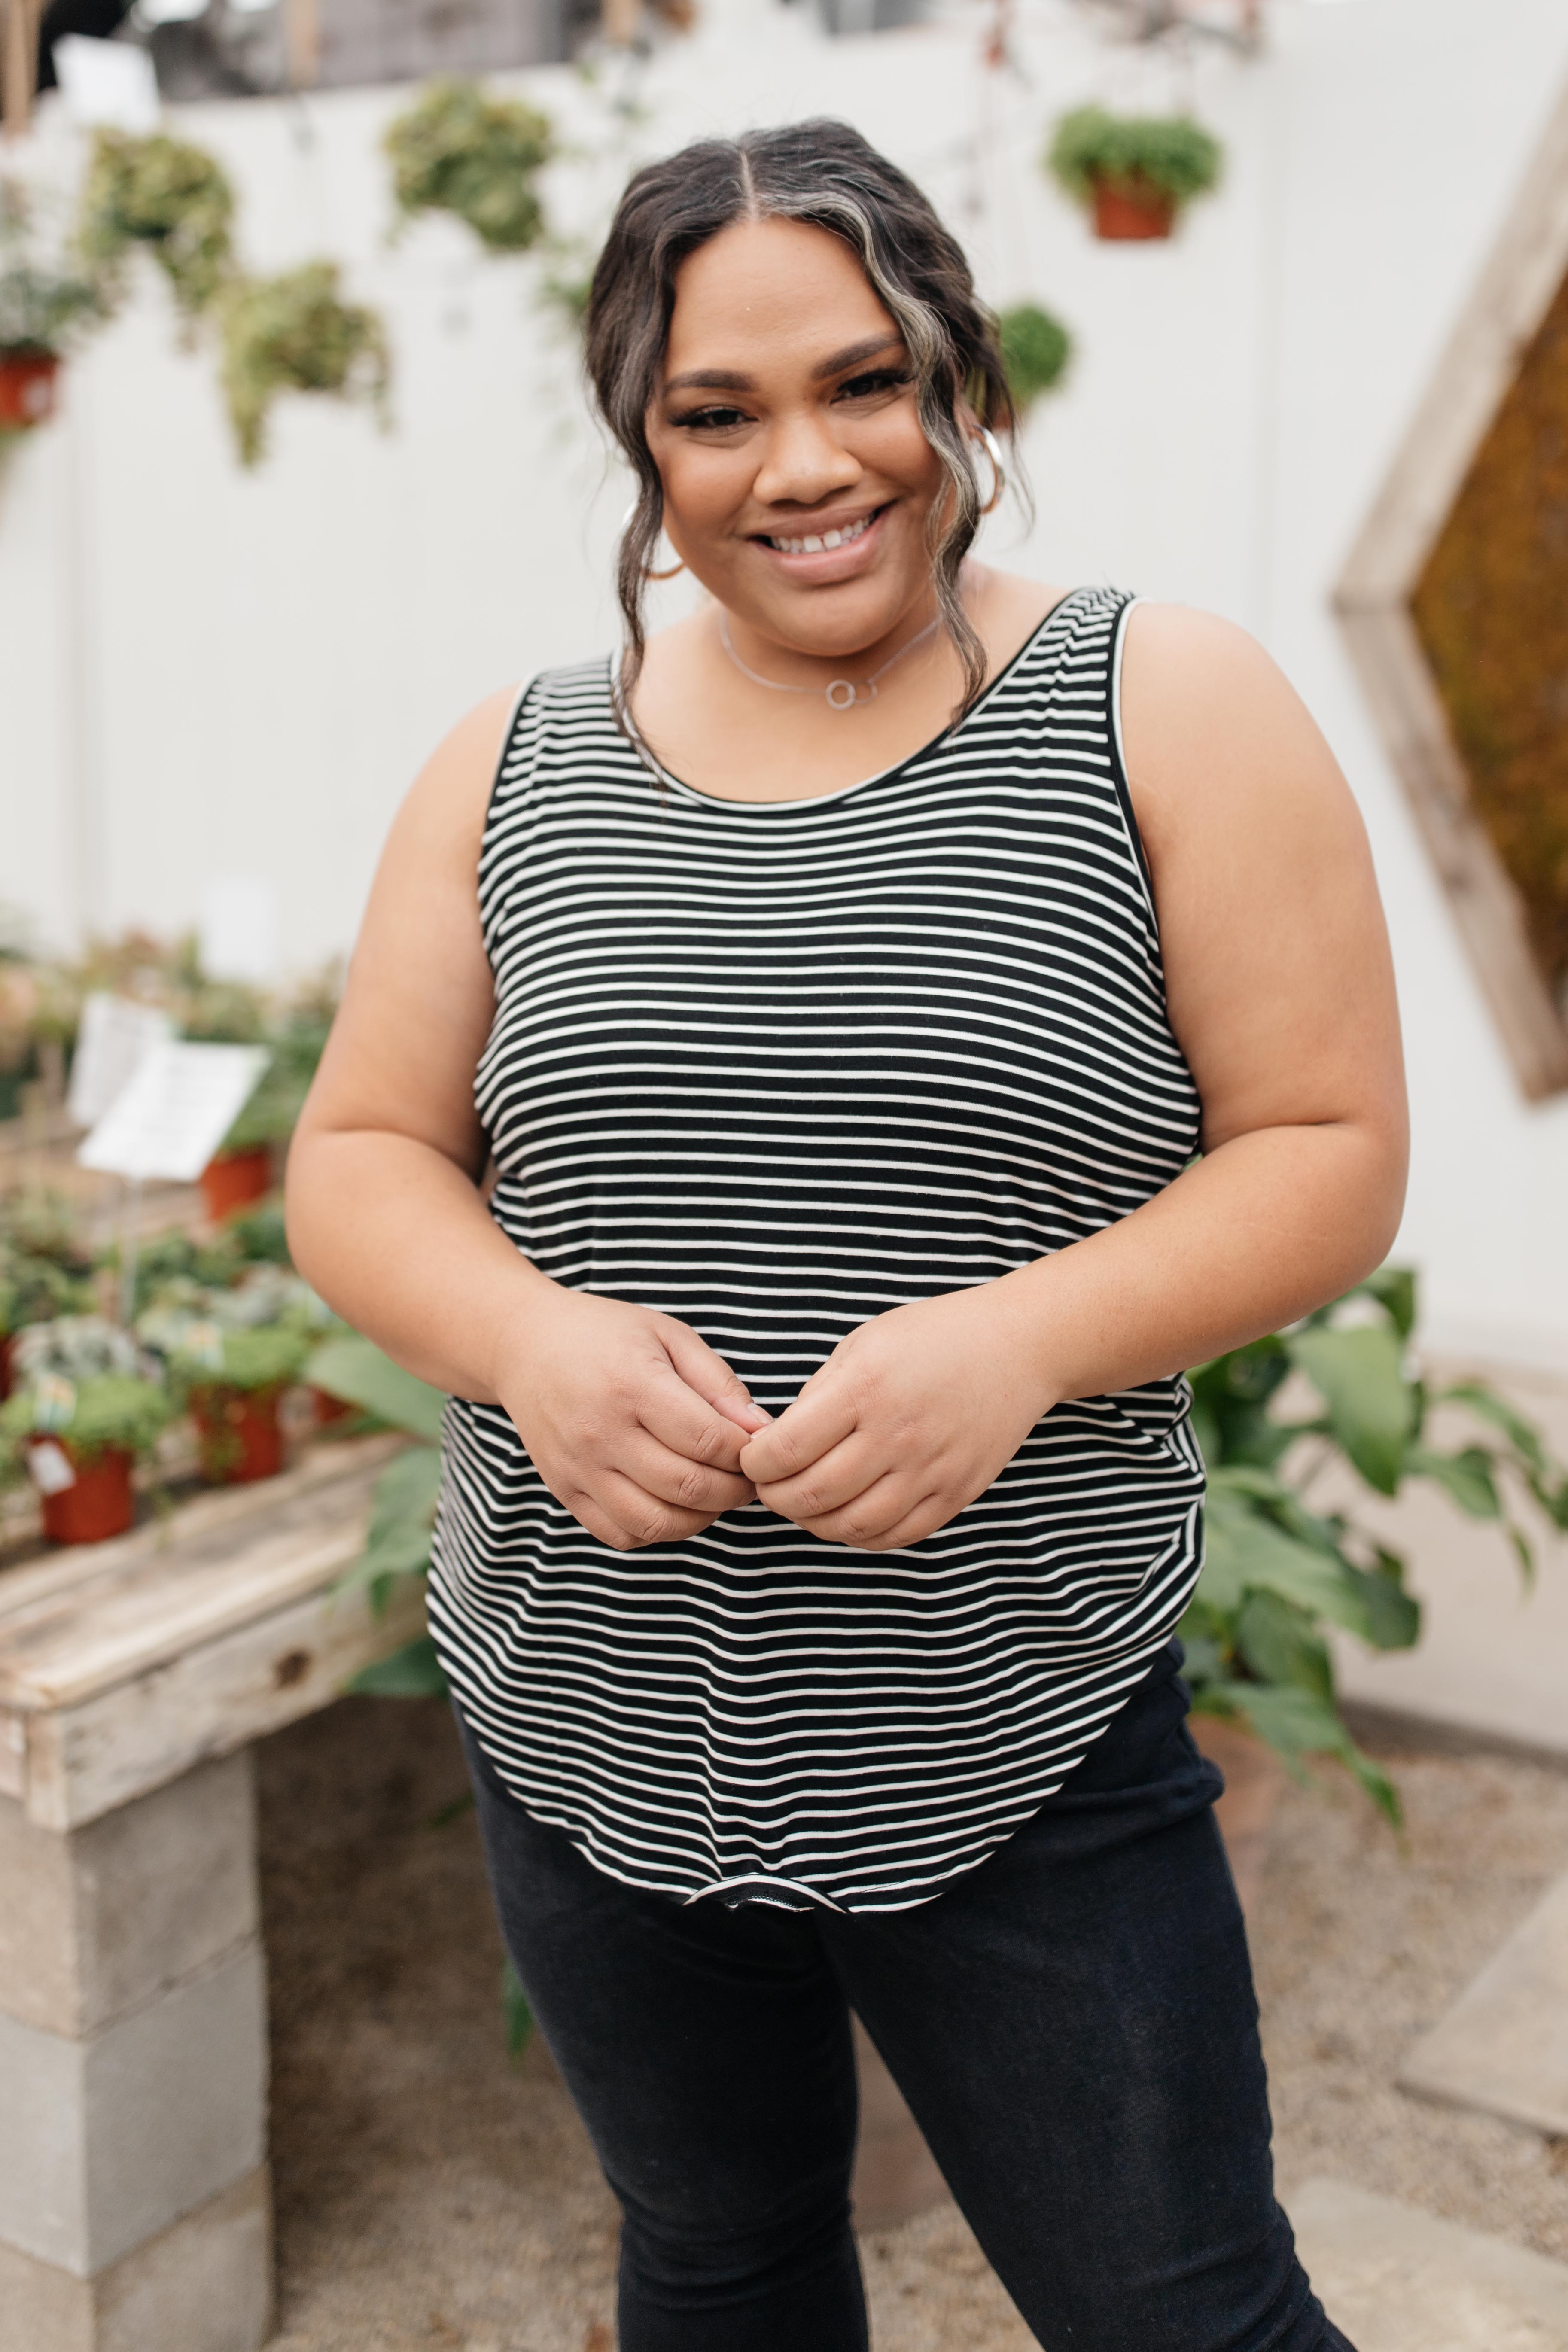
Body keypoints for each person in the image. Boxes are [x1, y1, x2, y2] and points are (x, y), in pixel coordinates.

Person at [287, 117, 1404, 2352]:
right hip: (587, 1721)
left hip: (1020, 1720)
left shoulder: (1149, 704)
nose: (805, 463)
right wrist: (523, 1340)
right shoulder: (508, 765)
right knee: (716, 2262)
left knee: (1181, 2313)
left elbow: (1323, 1144)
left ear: (960, 385)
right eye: (717, 411)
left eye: (865, 380)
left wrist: (1019, 1341)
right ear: (643, 441)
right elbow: (362, 1157)